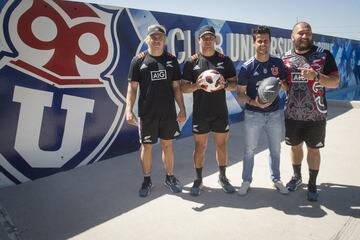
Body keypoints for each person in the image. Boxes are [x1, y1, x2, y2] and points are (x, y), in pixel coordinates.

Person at [126, 24, 186, 197]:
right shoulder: (138, 60)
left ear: (165, 40)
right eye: (153, 37)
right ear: (147, 39)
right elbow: (132, 88)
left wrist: (181, 109)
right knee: (147, 146)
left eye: (160, 37)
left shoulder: (171, 60)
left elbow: (176, 87)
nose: (157, 40)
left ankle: (169, 177)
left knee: (168, 145)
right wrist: (128, 110)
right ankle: (147, 180)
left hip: (168, 114)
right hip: (147, 114)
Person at [282, 22, 339, 201]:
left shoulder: (324, 55)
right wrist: (281, 85)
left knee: (314, 150)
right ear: (292, 36)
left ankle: (312, 183)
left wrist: (315, 76)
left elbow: (334, 82)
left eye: (308, 33)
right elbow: (286, 86)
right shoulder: (285, 58)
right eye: (300, 33)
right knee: (295, 147)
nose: (305, 36)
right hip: (292, 114)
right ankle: (297, 177)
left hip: (316, 114)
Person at [181, 25, 237, 196]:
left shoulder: (224, 60)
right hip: (201, 113)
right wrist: (196, 85)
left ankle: (223, 177)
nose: (207, 41)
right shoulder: (192, 62)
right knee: (200, 147)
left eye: (210, 38)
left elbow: (234, 85)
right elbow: (183, 88)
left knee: (221, 145)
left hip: (220, 111)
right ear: (199, 40)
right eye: (204, 38)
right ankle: (198, 179)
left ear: (214, 39)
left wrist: (225, 84)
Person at [236, 26, 289, 196]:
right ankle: (246, 180)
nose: (263, 44)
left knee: (275, 149)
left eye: (266, 41)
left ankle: (276, 179)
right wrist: (254, 102)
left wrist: (281, 86)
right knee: (249, 150)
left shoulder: (278, 63)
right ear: (254, 43)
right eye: (259, 41)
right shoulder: (247, 67)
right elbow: (240, 95)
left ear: (270, 42)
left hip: (274, 114)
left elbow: (286, 87)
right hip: (253, 114)